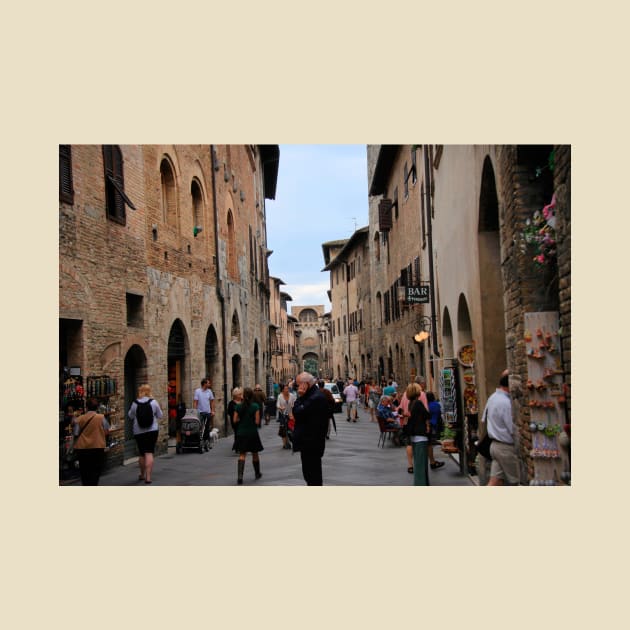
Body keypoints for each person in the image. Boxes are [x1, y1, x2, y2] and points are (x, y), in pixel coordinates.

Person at [482, 372, 520, 486]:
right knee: (517, 481)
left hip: (494, 446)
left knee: (495, 481)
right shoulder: (506, 403)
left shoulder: (493, 398)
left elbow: (484, 419)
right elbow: (512, 428)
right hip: (505, 448)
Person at [292, 372, 329, 486]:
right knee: (309, 474)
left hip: (312, 443)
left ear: (305, 384)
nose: (297, 388)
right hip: (309, 442)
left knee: (313, 475)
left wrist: (299, 397)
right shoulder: (312, 395)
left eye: (298, 385)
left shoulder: (316, 397)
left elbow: (297, 412)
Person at [128, 384, 163, 484]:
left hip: (139, 432)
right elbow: (160, 415)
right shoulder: (153, 402)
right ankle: (148, 477)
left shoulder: (135, 403)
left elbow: (130, 416)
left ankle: (142, 474)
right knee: (149, 452)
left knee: (142, 453)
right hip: (152, 430)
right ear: (149, 391)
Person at [72, 397, 110, 485]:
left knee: (84, 471)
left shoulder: (80, 418)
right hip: (97, 448)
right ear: (97, 407)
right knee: (95, 471)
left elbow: (76, 433)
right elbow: (107, 432)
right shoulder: (101, 417)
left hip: (82, 449)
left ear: (87, 407)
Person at [233, 387, 264, 484]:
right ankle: (257, 473)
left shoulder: (238, 406)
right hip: (252, 433)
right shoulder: (255, 406)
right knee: (255, 453)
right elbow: (257, 421)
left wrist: (241, 421)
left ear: (243, 395)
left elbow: (234, 420)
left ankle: (240, 477)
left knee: (242, 454)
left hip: (241, 432)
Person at [403, 382, 432, 485]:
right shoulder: (418, 403)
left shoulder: (411, 403)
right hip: (420, 436)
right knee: (421, 465)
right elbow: (427, 415)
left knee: (420, 464)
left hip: (414, 436)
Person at [193, 378, 215, 450]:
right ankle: (200, 441)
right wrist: (195, 411)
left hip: (207, 412)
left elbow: (212, 401)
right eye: (208, 383)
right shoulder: (197, 391)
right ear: (204, 384)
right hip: (200, 412)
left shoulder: (209, 391)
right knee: (200, 428)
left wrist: (212, 410)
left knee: (207, 428)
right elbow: (195, 402)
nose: (209, 384)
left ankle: (207, 442)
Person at [276, 383, 296, 449]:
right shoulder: (280, 396)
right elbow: (278, 405)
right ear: (282, 390)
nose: (287, 390)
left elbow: (296, 403)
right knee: (283, 429)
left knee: (291, 429)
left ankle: (293, 441)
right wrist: (280, 408)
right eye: (285, 389)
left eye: (287, 389)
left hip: (291, 414)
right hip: (283, 414)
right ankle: (285, 444)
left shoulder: (292, 395)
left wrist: (293, 407)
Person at [227, 387, 243, 452]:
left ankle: (240, 446)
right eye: (239, 394)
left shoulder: (243, 401)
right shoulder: (231, 403)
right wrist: (235, 416)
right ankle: (237, 447)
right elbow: (229, 412)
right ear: (235, 395)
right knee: (237, 433)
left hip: (243, 420)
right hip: (235, 421)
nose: (240, 395)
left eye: (241, 394)